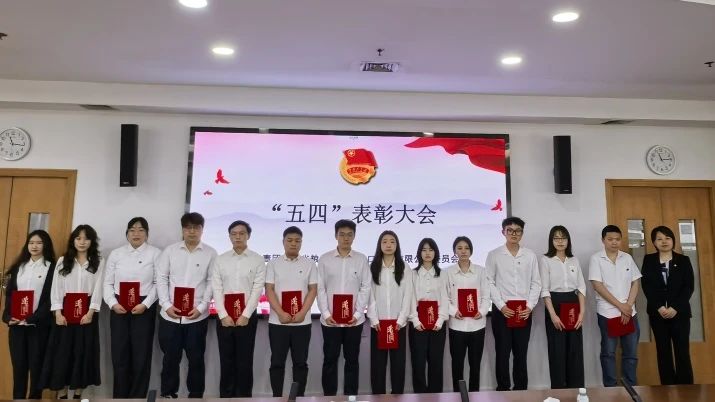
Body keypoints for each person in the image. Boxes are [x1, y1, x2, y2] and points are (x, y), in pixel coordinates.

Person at [156, 212, 217, 399]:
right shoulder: (170, 251)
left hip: (197, 317)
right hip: (170, 316)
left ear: (202, 230)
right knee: (170, 359)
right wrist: (166, 305)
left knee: (196, 359)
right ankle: (168, 394)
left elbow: (212, 282)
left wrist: (201, 307)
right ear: (182, 230)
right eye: (188, 227)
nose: (192, 231)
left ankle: (195, 396)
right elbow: (161, 278)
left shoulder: (211, 253)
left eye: (196, 227)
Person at [42, 225, 104, 399]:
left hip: (87, 313)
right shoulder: (63, 261)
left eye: (86, 238)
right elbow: (56, 287)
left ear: (92, 241)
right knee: (62, 354)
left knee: (82, 353)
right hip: (64, 314)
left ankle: (77, 395)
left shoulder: (98, 261)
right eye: (78, 238)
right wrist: (58, 313)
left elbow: (98, 287)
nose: (82, 242)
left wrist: (91, 312)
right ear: (73, 240)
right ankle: (62, 395)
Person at [103, 217, 162, 398]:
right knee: (119, 354)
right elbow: (107, 283)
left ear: (147, 234)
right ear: (127, 233)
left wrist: (145, 304)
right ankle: (120, 398)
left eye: (141, 230)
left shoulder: (155, 254)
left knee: (141, 355)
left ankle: (137, 398)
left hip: (144, 307)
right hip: (119, 306)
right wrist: (113, 303)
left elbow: (158, 283)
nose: (136, 233)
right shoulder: (116, 254)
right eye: (132, 230)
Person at [210, 220, 266, 397]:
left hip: (247, 317)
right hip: (224, 317)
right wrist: (223, 315)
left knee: (244, 360)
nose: (238, 237)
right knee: (226, 360)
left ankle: (244, 397)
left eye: (242, 233)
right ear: (229, 236)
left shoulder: (257, 260)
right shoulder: (220, 260)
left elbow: (257, 289)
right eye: (234, 234)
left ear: (248, 236)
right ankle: (226, 397)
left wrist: (246, 314)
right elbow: (216, 288)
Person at [486, 217, 541, 391]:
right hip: (502, 311)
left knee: (520, 354)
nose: (514, 234)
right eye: (510, 230)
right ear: (503, 232)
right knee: (502, 353)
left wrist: (529, 307)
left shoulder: (530, 255)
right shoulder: (494, 255)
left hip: (523, 311)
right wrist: (501, 306)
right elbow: (489, 282)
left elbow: (536, 283)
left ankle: (520, 390)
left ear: (522, 233)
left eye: (518, 231)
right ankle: (503, 390)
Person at [316, 219, 371, 396]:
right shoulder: (325, 259)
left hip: (354, 321)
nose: (346, 238)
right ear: (336, 236)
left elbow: (366, 287)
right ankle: (329, 397)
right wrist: (326, 313)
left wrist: (357, 313)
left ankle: (351, 397)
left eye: (349, 235)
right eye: (342, 234)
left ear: (354, 237)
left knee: (352, 361)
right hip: (330, 321)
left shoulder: (361, 259)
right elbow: (320, 288)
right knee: (330, 360)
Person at [2, 230, 55, 399]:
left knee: (37, 369)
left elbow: (51, 299)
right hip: (17, 328)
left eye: (39, 242)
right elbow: (10, 296)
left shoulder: (52, 268)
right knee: (19, 369)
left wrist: (32, 318)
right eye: (31, 242)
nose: (34, 246)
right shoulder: (19, 267)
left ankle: (34, 399)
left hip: (38, 327)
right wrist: (8, 317)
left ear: (45, 245)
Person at [265, 226, 318, 397]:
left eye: (297, 241)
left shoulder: (310, 264)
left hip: (302, 323)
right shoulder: (273, 264)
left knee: (300, 363)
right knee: (277, 363)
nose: (293, 244)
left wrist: (302, 313)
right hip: (277, 322)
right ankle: (277, 397)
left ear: (301, 243)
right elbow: (269, 290)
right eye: (290, 240)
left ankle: (297, 397)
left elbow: (313, 290)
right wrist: (280, 313)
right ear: (283, 242)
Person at [588, 224, 642, 387]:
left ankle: (631, 387)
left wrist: (628, 306)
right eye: (610, 239)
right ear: (603, 240)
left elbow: (635, 282)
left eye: (617, 239)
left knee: (631, 353)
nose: (614, 242)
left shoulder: (627, 258)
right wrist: (620, 306)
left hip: (630, 313)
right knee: (608, 353)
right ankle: (610, 389)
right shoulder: (596, 259)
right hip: (608, 313)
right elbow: (597, 285)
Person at [641, 225, 694, 385]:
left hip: (680, 314)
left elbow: (688, 287)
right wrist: (659, 307)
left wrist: (675, 307)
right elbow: (647, 285)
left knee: (682, 352)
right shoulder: (649, 260)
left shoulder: (683, 260)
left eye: (667, 238)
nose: (664, 241)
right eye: (659, 239)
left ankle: (686, 388)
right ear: (654, 242)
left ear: (673, 240)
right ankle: (668, 387)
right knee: (663, 352)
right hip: (658, 314)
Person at [539, 225, 586, 389]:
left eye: (563, 238)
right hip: (555, 304)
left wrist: (582, 313)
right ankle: (559, 391)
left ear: (568, 240)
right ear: (551, 241)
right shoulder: (546, 260)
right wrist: (553, 315)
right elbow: (545, 290)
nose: (560, 241)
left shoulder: (574, 260)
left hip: (573, 305)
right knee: (557, 351)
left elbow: (581, 288)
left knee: (575, 351)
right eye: (556, 238)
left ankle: (577, 391)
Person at [366, 230, 412, 395]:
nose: (388, 245)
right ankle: (378, 396)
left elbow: (408, 295)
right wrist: (374, 319)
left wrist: (401, 319)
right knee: (378, 365)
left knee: (398, 364)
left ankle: (397, 395)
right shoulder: (372, 267)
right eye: (384, 241)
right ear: (379, 245)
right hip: (378, 324)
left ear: (397, 245)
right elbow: (369, 294)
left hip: (398, 324)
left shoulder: (404, 267)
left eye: (392, 241)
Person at [446, 236, 490, 392]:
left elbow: (486, 296)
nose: (463, 251)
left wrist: (482, 311)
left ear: (471, 251)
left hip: (477, 325)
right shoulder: (447, 272)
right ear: (454, 251)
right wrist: (453, 311)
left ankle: (474, 395)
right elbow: (444, 297)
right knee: (457, 365)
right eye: (459, 248)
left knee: (475, 365)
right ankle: (457, 396)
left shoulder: (481, 271)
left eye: (466, 248)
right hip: (456, 326)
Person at [409, 237, 448, 394]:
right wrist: (415, 321)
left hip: (437, 322)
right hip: (418, 322)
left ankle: (435, 395)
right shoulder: (412, 274)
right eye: (424, 250)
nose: (427, 253)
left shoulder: (442, 274)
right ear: (419, 253)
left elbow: (445, 298)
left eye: (431, 250)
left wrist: (440, 320)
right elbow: (410, 298)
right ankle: (420, 395)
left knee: (436, 362)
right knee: (418, 362)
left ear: (435, 253)